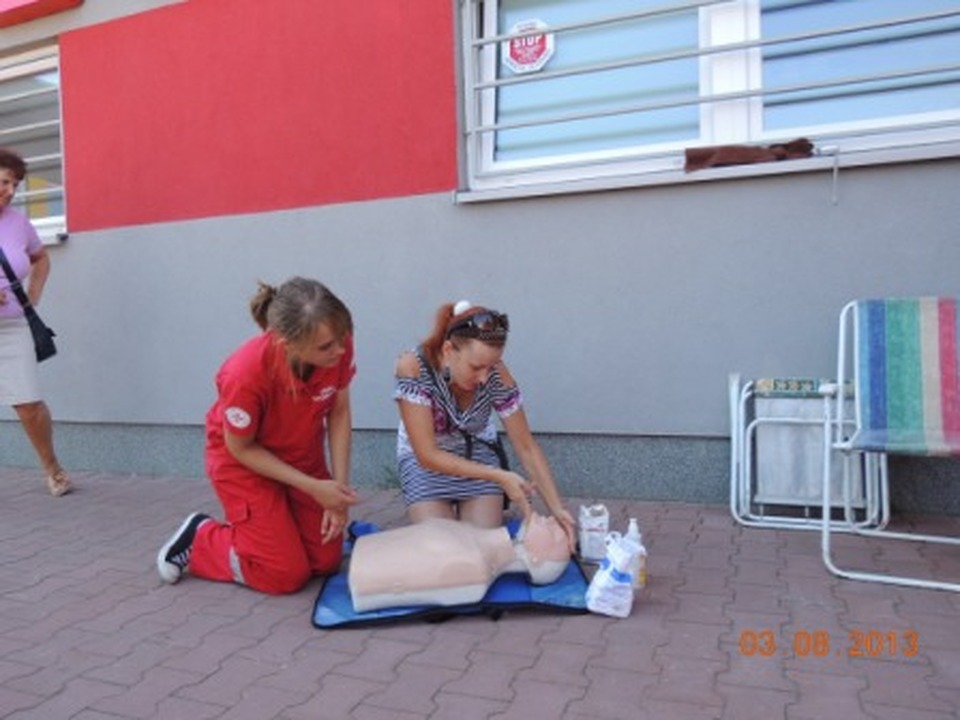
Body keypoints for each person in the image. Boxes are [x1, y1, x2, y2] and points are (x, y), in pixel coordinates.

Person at [156, 277, 359, 595]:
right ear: (287, 344)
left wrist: (338, 494)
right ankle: (202, 539)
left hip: (300, 456)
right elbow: (241, 448)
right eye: (326, 347)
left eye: (342, 337)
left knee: (325, 561)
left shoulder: (336, 343)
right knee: (283, 575)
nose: (341, 350)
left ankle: (276, 533)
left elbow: (339, 413)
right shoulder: (244, 373)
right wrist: (312, 487)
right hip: (244, 465)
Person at [394, 299, 576, 548]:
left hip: (477, 455)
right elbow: (427, 455)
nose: (484, 378)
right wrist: (499, 476)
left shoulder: (498, 376)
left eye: (492, 366)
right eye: (476, 367)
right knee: (443, 548)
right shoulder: (413, 368)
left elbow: (526, 447)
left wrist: (557, 509)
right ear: (448, 350)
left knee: (480, 547)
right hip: (425, 466)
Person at [0, 147, 70, 497]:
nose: (10, 191)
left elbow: (40, 258)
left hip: (12, 327)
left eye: (15, 184)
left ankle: (52, 467)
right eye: (4, 182)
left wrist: (33, 295)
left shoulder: (18, 222)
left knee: (28, 404)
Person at [349, 513, 572, 612]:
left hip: (363, 575)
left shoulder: (475, 570)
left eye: (553, 533)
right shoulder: (472, 538)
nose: (550, 519)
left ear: (535, 559)